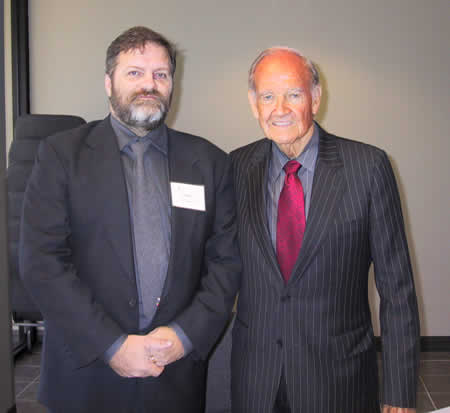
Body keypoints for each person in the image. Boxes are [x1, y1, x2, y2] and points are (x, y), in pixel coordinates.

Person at [20, 26, 240, 413]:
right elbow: (41, 261)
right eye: (134, 72)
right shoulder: (61, 155)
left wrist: (184, 337)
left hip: (174, 373)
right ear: (109, 83)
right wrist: (111, 345)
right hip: (86, 373)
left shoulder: (209, 162)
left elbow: (225, 264)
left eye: (161, 74)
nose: (149, 85)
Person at [230, 47, 420, 413]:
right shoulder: (235, 168)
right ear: (253, 103)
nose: (280, 109)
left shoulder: (368, 167)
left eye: (294, 94)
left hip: (338, 382)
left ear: (315, 98)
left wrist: (398, 394)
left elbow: (398, 291)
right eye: (268, 96)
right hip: (255, 379)